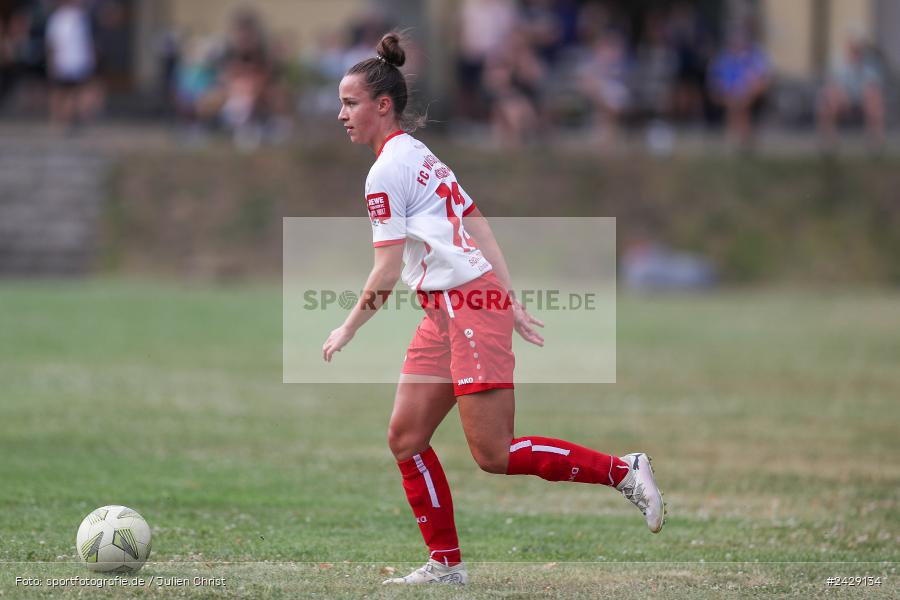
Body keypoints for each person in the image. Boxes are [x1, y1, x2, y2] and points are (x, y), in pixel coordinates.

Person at [323, 32, 665, 586]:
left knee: (494, 452)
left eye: (349, 102)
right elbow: (476, 224)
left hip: (464, 308)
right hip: (450, 308)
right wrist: (506, 297)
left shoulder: (386, 171)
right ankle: (446, 566)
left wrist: (348, 327)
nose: (341, 114)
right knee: (406, 437)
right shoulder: (415, 154)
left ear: (382, 105)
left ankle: (622, 470)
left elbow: (386, 270)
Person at [817, 32, 885, 150]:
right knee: (831, 98)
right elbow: (831, 86)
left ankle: (875, 140)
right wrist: (843, 96)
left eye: (858, 49)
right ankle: (830, 140)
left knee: (875, 101)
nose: (856, 52)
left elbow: (872, 88)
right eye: (853, 48)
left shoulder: (868, 66)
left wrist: (867, 96)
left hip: (861, 101)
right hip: (842, 100)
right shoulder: (839, 65)